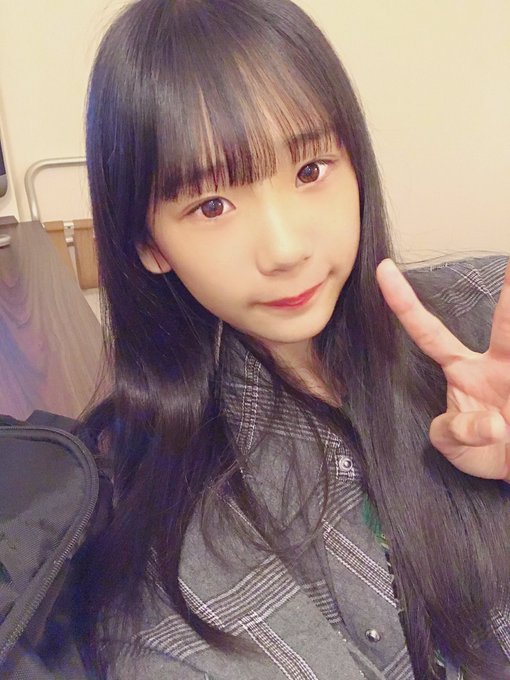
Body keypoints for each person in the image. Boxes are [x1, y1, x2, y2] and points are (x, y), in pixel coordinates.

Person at [72, 1, 510, 678]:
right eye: (211, 205)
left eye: (310, 171)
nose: (284, 249)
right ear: (148, 243)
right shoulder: (158, 534)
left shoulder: (486, 317)